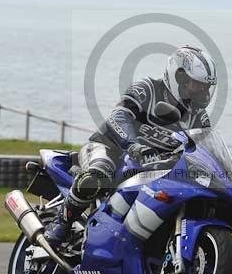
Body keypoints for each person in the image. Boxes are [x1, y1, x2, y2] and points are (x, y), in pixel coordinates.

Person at [44, 45, 218, 246]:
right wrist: (133, 145)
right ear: (179, 77)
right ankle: (61, 224)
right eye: (196, 85)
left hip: (150, 166)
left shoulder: (199, 116)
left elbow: (202, 147)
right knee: (98, 174)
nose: (202, 91)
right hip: (109, 148)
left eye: (206, 87)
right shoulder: (147, 89)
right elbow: (118, 116)